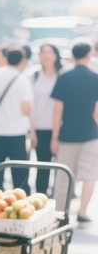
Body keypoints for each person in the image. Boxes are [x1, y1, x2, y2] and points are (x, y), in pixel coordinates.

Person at [51, 43, 98, 222]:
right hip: (91, 134)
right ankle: (83, 211)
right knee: (89, 175)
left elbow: (57, 110)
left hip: (67, 134)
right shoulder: (96, 77)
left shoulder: (64, 77)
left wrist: (55, 137)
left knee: (63, 176)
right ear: (89, 54)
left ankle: (61, 213)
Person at [0, 48, 34, 193]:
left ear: (6, 58)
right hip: (17, 133)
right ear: (22, 60)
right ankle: (22, 202)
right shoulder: (22, 79)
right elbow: (26, 109)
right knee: (20, 173)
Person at [28, 44, 62, 195]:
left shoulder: (62, 74)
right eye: (43, 52)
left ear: (56, 55)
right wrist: (32, 131)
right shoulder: (33, 74)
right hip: (40, 127)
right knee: (42, 165)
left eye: (50, 52)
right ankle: (41, 196)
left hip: (61, 127)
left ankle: (59, 198)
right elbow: (28, 104)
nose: (46, 56)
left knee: (61, 166)